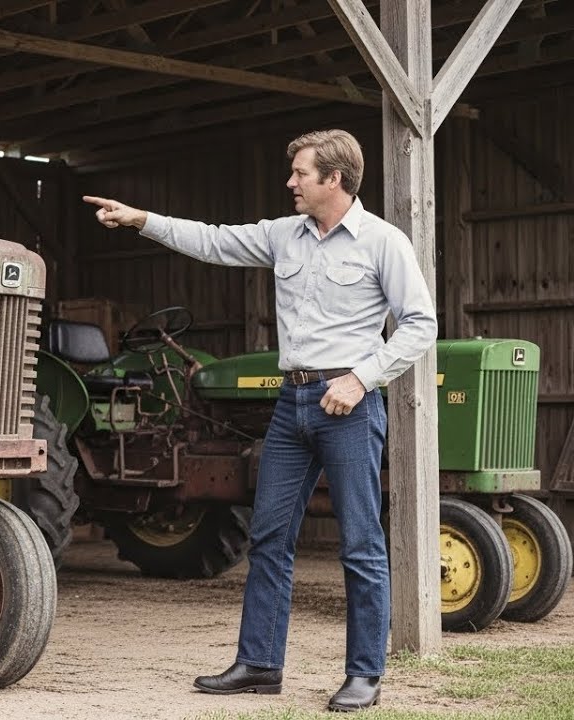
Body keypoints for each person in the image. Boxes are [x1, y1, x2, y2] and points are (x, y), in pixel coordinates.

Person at [84, 129, 436, 712]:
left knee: (361, 544)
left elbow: (420, 324)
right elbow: (212, 242)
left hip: (348, 405)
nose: (290, 183)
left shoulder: (383, 242)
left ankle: (364, 674)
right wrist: (140, 218)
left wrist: (361, 378)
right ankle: (259, 664)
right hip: (291, 404)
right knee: (269, 536)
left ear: (335, 180)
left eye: (301, 174)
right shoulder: (283, 236)